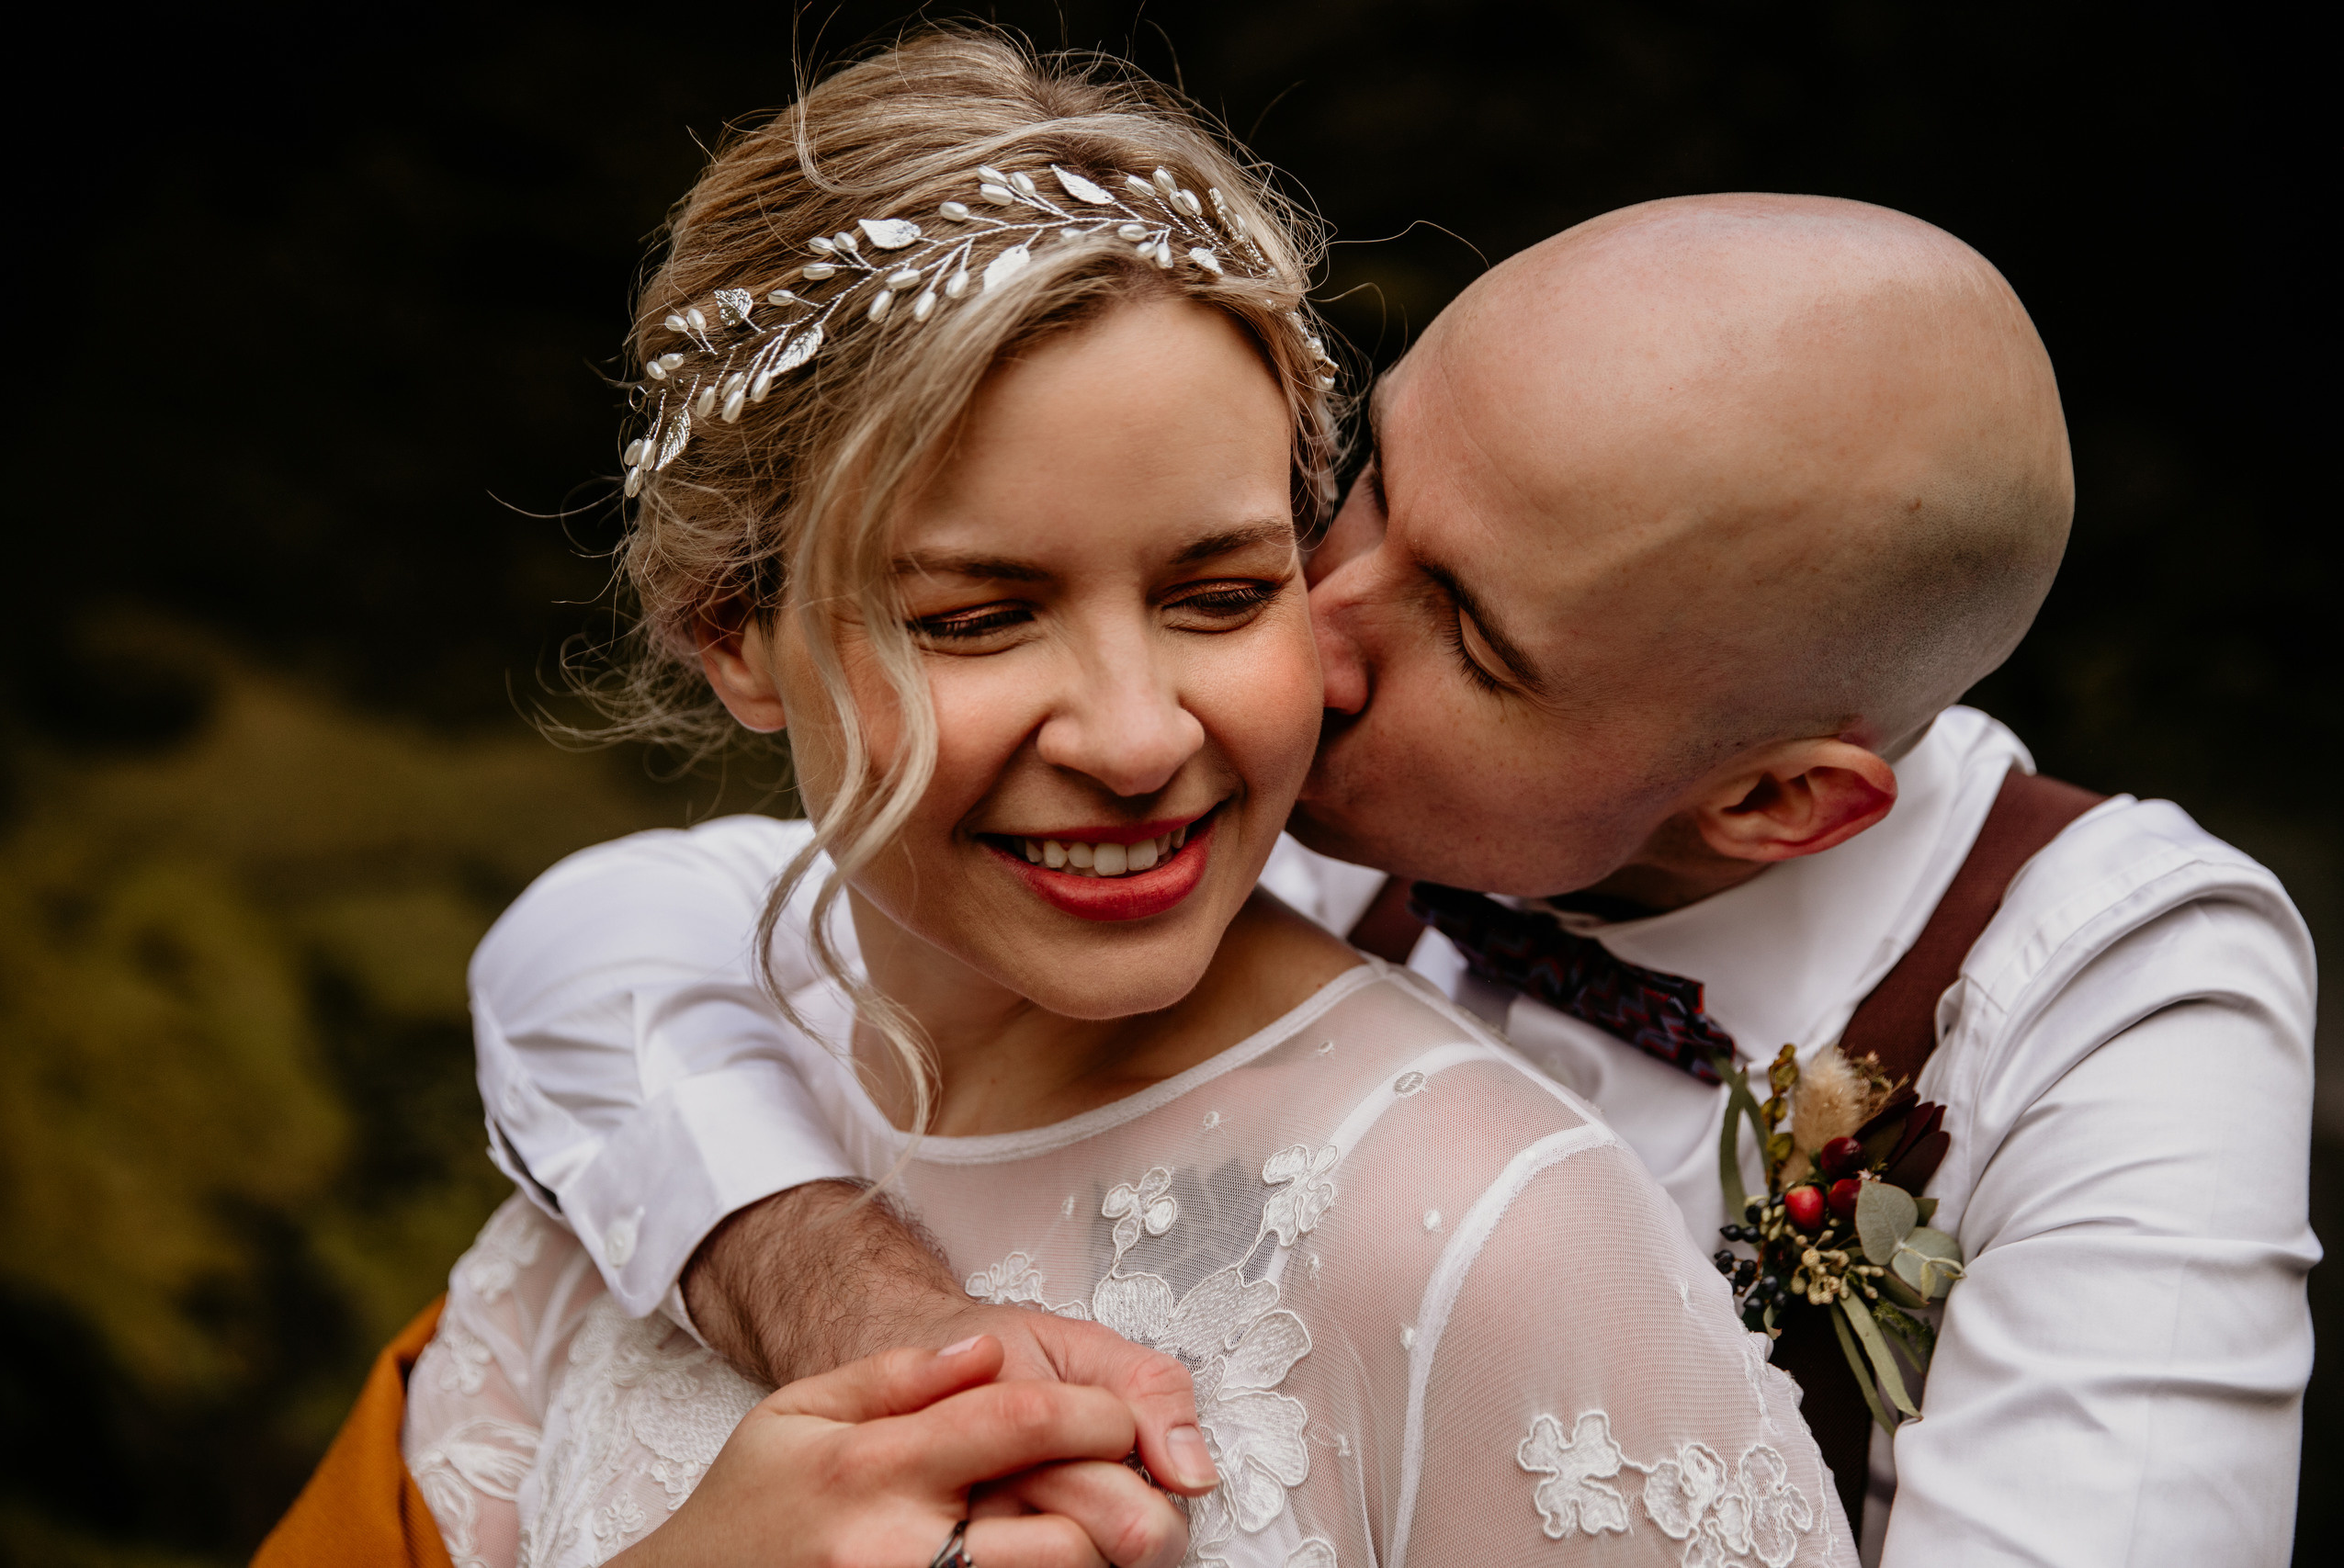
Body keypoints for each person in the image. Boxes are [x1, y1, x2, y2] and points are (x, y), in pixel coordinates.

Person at [455, 85, 2321, 1568]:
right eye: (1347, 503)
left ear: (1767, 802)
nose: (1292, 641)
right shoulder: (1234, 759)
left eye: (1468, 633)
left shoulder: (2103, 978)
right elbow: (623, 933)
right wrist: (815, 1268)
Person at [368, 28, 1855, 1568]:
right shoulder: (684, 1096)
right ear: (735, 633)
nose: (1140, 740)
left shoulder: (1494, 1234)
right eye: (974, 617)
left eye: (1218, 594)